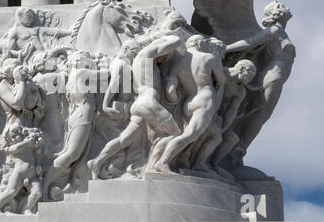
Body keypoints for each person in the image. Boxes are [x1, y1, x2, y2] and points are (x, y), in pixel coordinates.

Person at [89, 33, 184, 179]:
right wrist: (164, 35)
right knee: (175, 134)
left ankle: (96, 162)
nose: (165, 57)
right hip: (148, 103)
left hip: (139, 105)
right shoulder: (146, 54)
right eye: (166, 55)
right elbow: (176, 40)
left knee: (124, 140)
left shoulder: (138, 64)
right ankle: (157, 165)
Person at [226, 1, 295, 154]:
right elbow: (250, 43)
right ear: (277, 13)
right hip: (272, 76)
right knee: (262, 111)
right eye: (281, 5)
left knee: (263, 112)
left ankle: (239, 145)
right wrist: (225, 49)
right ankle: (239, 147)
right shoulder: (274, 31)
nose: (287, 6)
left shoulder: (280, 32)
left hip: (277, 77)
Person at [152, 35, 227, 174]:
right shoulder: (208, 58)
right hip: (205, 98)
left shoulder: (177, 64)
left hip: (188, 103)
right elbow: (221, 80)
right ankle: (163, 161)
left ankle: (198, 163)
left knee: (215, 135)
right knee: (189, 135)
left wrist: (174, 99)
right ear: (200, 43)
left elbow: (170, 90)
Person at [43, 52, 108, 200]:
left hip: (79, 115)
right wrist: (102, 62)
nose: (91, 60)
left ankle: (67, 183)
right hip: (83, 116)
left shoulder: (72, 76)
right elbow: (106, 74)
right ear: (79, 61)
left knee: (75, 155)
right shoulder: (81, 72)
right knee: (71, 154)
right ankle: (45, 184)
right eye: (88, 58)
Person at [192, 60, 257, 172]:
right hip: (201, 109)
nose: (250, 79)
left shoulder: (241, 90)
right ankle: (198, 163)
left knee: (232, 138)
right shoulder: (221, 72)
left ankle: (213, 164)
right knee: (215, 136)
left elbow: (232, 110)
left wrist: (224, 127)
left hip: (217, 116)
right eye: (250, 75)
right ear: (242, 69)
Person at [0, 125, 44, 215]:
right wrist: (26, 142)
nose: (13, 139)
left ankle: (26, 209)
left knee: (37, 193)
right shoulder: (14, 147)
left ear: (21, 133)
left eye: (15, 136)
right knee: (11, 191)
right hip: (19, 174)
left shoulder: (28, 143)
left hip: (32, 175)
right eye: (11, 138)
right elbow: (15, 149)